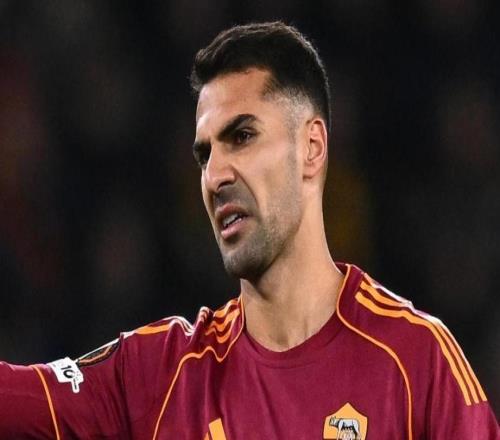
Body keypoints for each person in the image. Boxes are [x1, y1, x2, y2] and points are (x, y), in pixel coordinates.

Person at [0, 21, 498, 440]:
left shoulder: (416, 362)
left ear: (312, 148)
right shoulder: (161, 377)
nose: (214, 176)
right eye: (204, 155)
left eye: (241, 136)